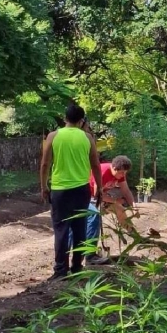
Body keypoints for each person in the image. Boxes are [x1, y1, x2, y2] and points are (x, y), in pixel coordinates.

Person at [40, 104, 103, 279]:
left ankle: (60, 270)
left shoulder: (53, 136)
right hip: (81, 190)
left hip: (60, 191)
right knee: (79, 228)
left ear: (65, 117)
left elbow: (45, 164)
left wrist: (44, 186)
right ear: (82, 120)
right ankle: (77, 268)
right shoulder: (88, 138)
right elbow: (96, 165)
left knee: (61, 230)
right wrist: (100, 188)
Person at [85, 155, 136, 263]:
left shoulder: (120, 173)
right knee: (95, 216)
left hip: (101, 196)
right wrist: (114, 200)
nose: (123, 175)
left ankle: (132, 233)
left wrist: (133, 206)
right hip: (86, 197)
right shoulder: (102, 172)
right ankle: (89, 255)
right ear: (113, 168)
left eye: (125, 173)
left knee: (120, 208)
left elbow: (126, 191)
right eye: (121, 173)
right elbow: (96, 195)